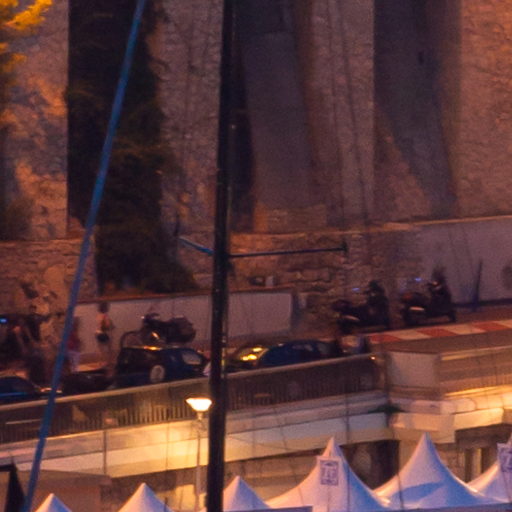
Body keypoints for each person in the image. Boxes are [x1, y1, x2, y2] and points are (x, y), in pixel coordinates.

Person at [96, 301, 114, 367]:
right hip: (105, 334)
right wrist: (111, 325)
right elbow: (107, 325)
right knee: (109, 349)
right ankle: (108, 362)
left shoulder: (98, 315)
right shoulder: (105, 315)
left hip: (98, 333)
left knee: (100, 349)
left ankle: (100, 362)